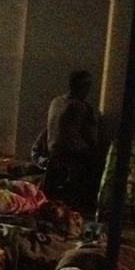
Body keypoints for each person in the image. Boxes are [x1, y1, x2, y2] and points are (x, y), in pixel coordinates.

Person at [41, 69, 100, 211]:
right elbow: (92, 137)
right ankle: (88, 204)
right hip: (71, 153)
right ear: (84, 87)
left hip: (53, 151)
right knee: (97, 160)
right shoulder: (82, 107)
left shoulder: (56, 101)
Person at [96, 97, 135, 224]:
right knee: (111, 179)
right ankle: (103, 210)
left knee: (134, 182)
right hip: (124, 150)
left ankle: (132, 213)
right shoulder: (127, 123)